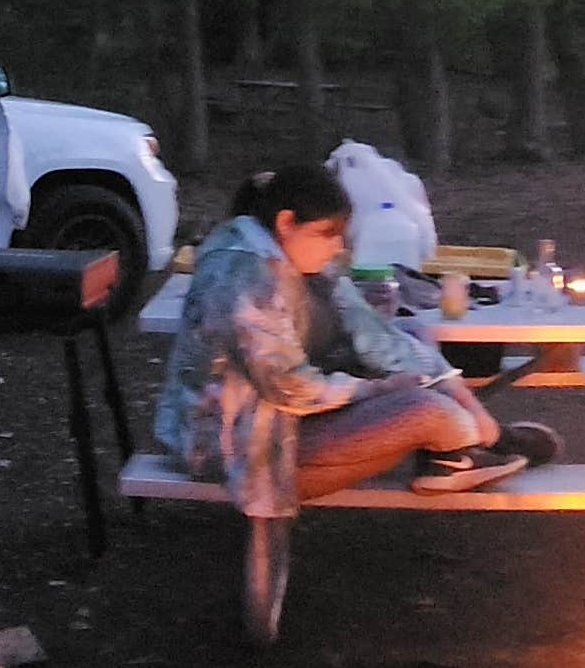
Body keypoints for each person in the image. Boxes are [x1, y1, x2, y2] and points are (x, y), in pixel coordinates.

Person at [148, 162, 555, 511]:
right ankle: (453, 449)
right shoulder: (242, 277)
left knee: (413, 335)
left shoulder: (302, 260)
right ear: (286, 222)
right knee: (427, 410)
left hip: (286, 421)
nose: (339, 246)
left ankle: (460, 453)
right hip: (241, 448)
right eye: (328, 233)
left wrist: (469, 404)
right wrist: (376, 391)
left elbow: (376, 334)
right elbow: (290, 387)